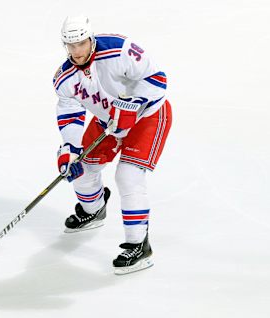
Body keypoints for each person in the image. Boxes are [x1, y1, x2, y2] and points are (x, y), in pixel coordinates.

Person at [53, 16, 172, 275]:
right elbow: (70, 112)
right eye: (70, 46)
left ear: (90, 38)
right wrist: (70, 148)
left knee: (128, 177)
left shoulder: (119, 49)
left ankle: (139, 246)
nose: (77, 51)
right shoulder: (65, 79)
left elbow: (157, 78)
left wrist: (136, 104)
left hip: (148, 116)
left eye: (81, 43)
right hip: (108, 121)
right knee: (81, 167)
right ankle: (93, 210)